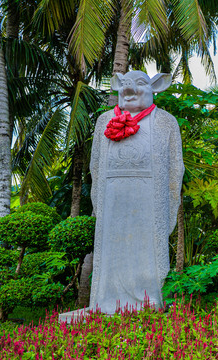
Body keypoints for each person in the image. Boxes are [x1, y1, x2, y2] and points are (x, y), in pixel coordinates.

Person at [88, 71, 184, 314]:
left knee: (148, 250)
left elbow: (176, 167)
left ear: (155, 88)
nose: (129, 90)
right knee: (111, 250)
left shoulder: (165, 121)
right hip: (112, 199)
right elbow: (95, 166)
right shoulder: (104, 121)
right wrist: (98, 202)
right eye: (125, 85)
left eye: (139, 84)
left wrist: (170, 204)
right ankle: (105, 301)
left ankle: (149, 300)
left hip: (150, 200)